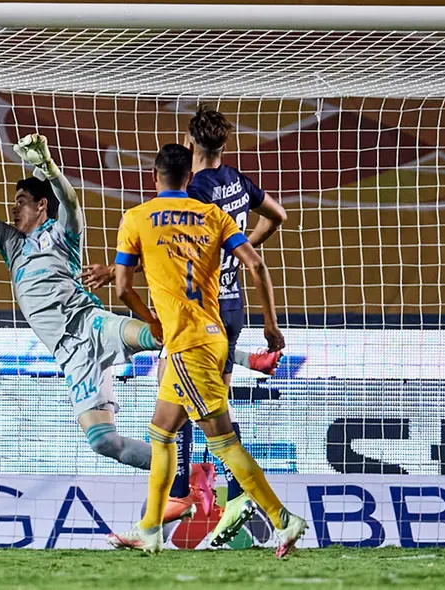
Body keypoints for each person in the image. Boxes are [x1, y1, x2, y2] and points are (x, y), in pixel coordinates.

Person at [0, 128, 206, 521]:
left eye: (21, 202)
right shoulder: (9, 244)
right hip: (70, 355)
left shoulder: (63, 233)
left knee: (161, 336)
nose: (13, 209)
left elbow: (71, 198)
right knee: (104, 443)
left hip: (92, 323)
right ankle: (184, 475)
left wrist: (48, 167)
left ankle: (221, 369)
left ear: (41, 207)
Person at [82, 105, 287, 546]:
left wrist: (120, 272)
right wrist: (237, 250)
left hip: (190, 323)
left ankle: (243, 505)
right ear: (224, 145)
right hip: (227, 308)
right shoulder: (235, 181)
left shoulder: (191, 195)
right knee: (169, 426)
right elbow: (279, 216)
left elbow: (172, 256)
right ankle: (169, 518)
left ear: (189, 149)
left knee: (217, 430)